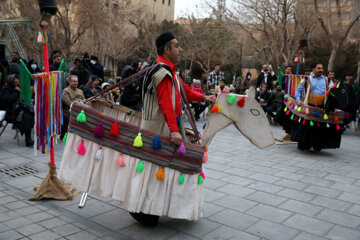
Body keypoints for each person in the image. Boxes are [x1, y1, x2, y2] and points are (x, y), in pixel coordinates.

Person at [131, 32, 216, 226]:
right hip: (158, 131)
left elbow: (184, 91)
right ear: (166, 49)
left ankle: (154, 208)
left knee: (162, 170)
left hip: (164, 128)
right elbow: (165, 104)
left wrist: (204, 98)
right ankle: (143, 210)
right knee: (155, 170)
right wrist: (174, 131)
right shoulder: (162, 72)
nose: (181, 49)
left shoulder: (170, 72)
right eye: (176, 46)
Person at [0, 74, 34, 146]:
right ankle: (28, 139)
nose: (16, 84)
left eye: (18, 82)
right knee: (26, 117)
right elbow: (8, 100)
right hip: (10, 113)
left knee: (31, 112)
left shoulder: (18, 88)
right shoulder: (5, 89)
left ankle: (29, 137)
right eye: (14, 82)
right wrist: (16, 92)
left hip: (18, 110)